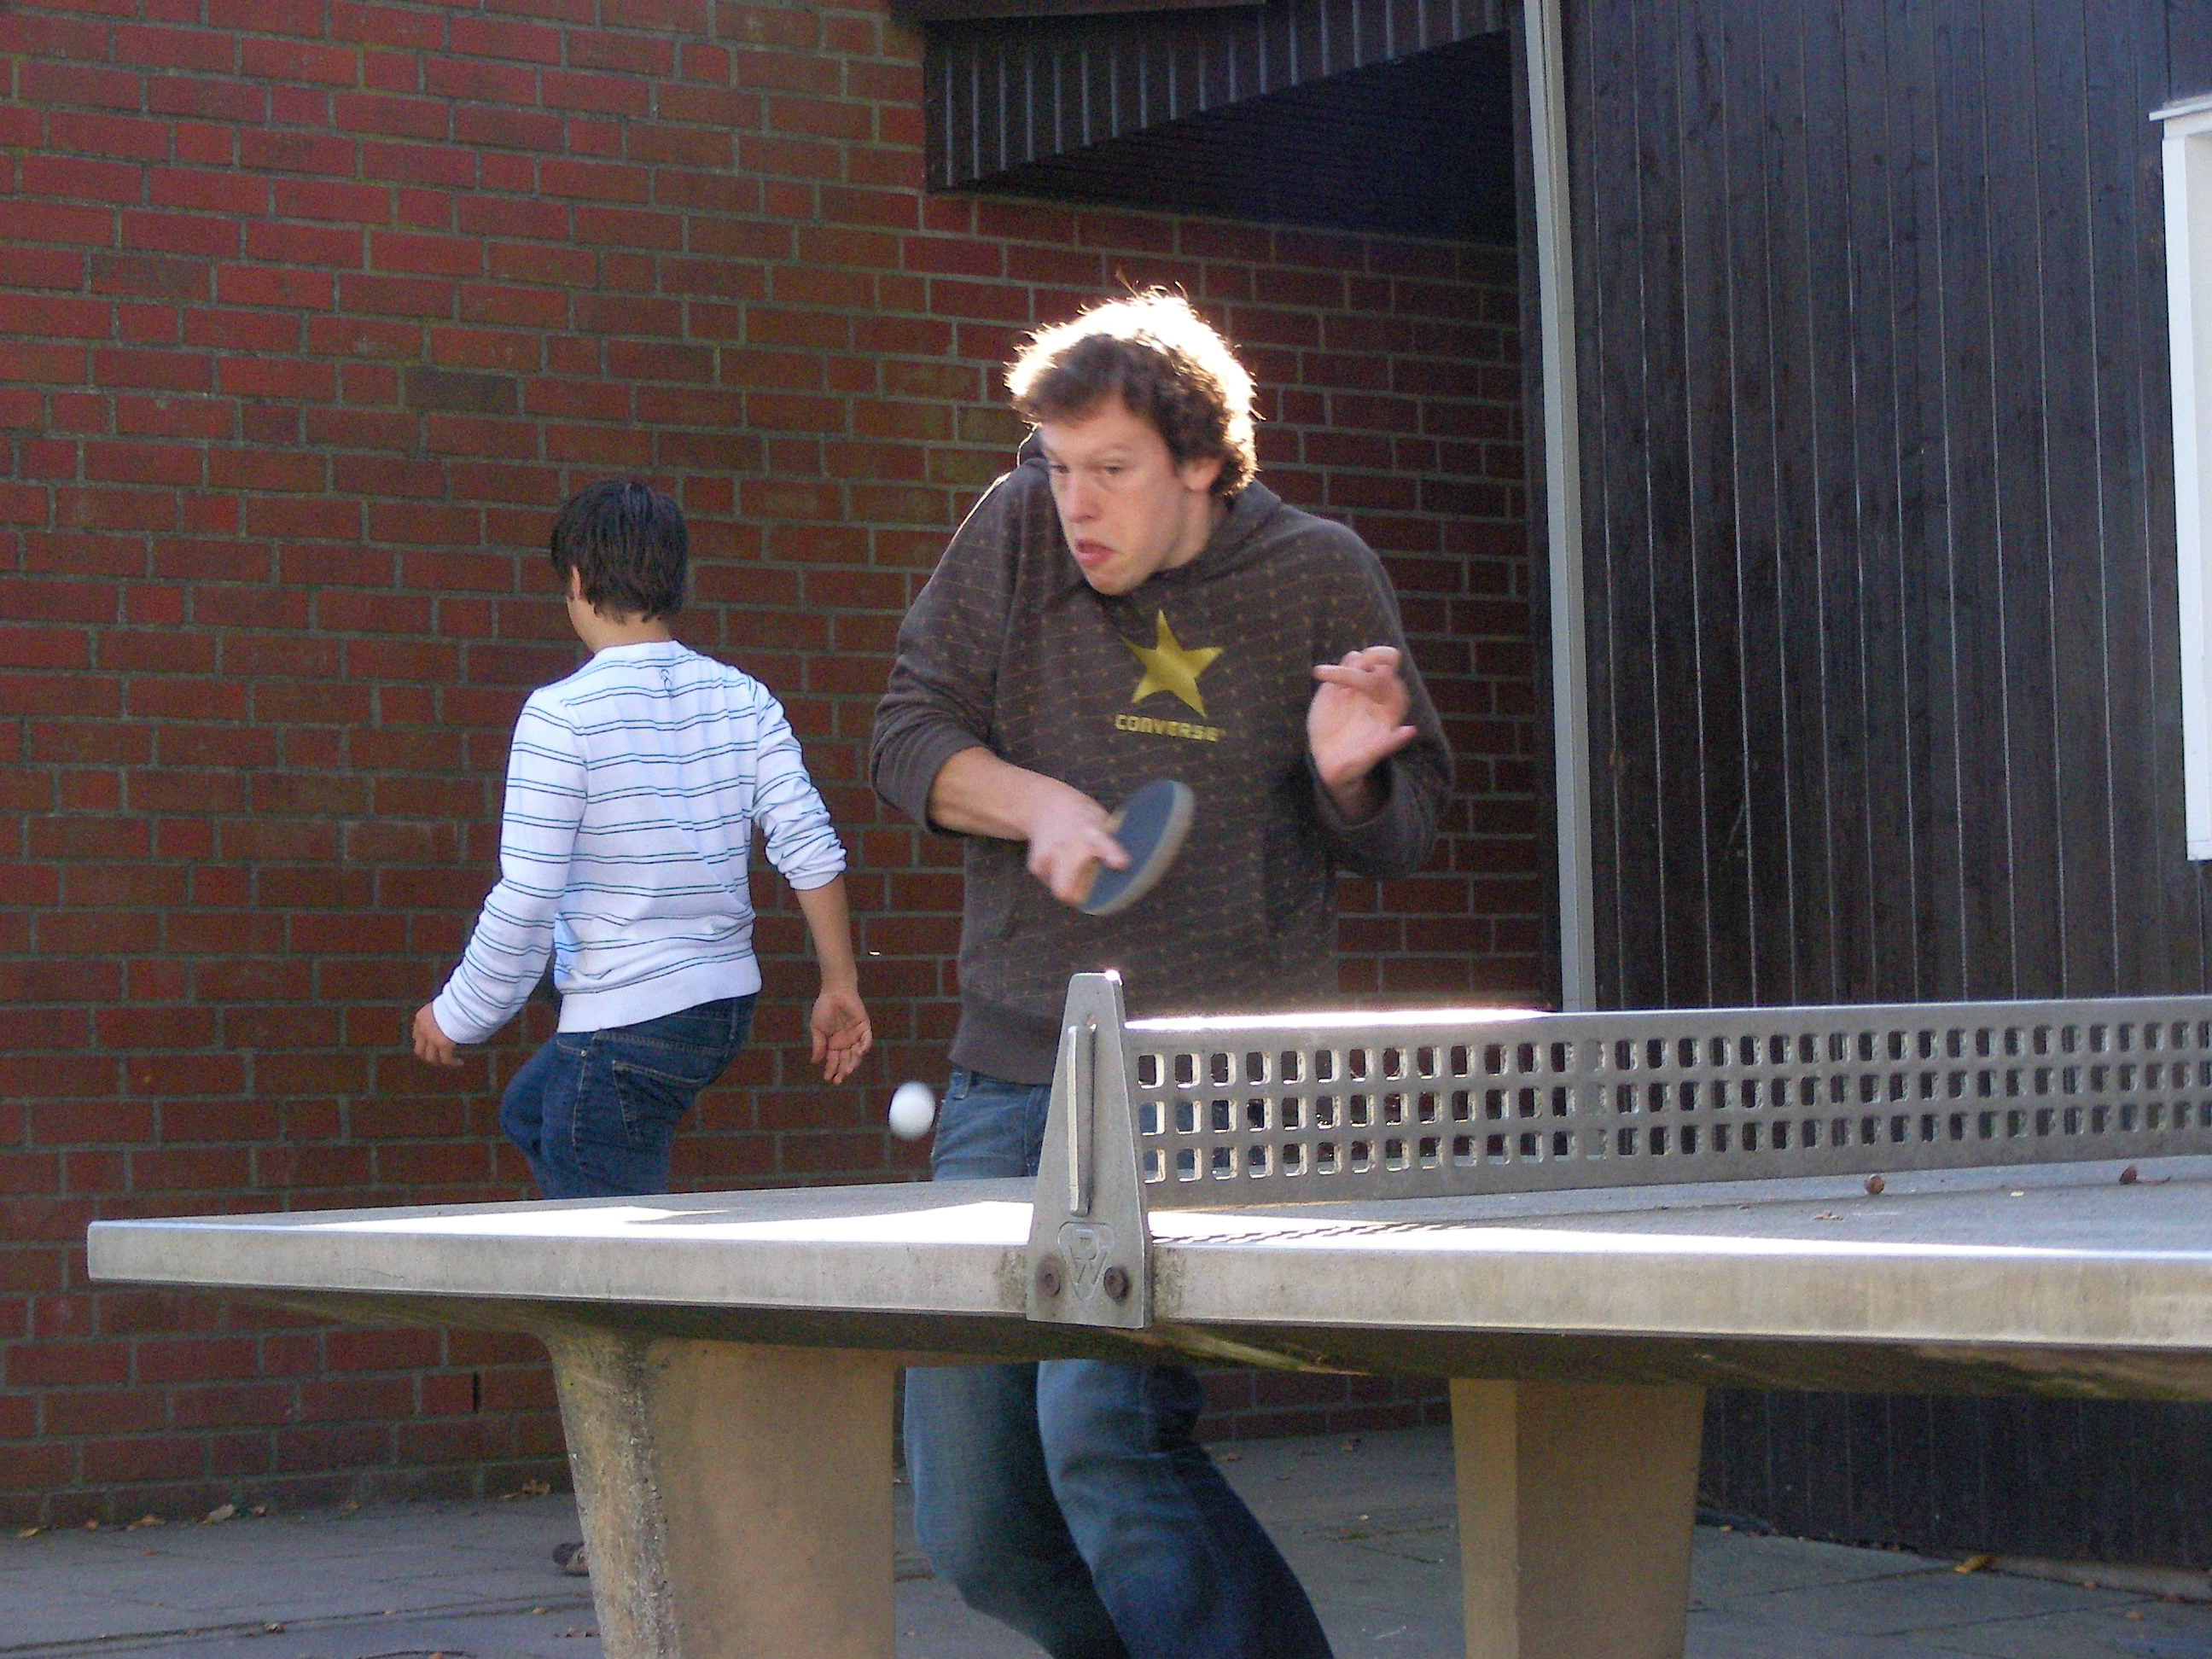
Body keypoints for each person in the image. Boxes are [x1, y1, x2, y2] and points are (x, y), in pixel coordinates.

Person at [870, 291, 1451, 1658]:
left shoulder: (1318, 572)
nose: (1075, 502)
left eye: (1112, 469)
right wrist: (1034, 803)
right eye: (1058, 463)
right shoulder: (1015, 530)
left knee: (1103, 1432)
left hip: (1206, 1088)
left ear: (1200, 460)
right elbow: (905, 737)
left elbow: (1407, 830)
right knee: (976, 1523)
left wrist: (1348, 777)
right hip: (1009, 1074)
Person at [413, 480, 873, 1573]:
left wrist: (459, 1013)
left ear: (576, 581)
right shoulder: (742, 698)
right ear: (677, 581)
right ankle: (638, 1253)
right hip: (715, 1008)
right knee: (539, 1114)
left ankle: (654, 1527)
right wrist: (838, 985)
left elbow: (526, 900)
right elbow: (807, 842)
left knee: (613, 1293)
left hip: (624, 1023)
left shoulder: (560, 717)